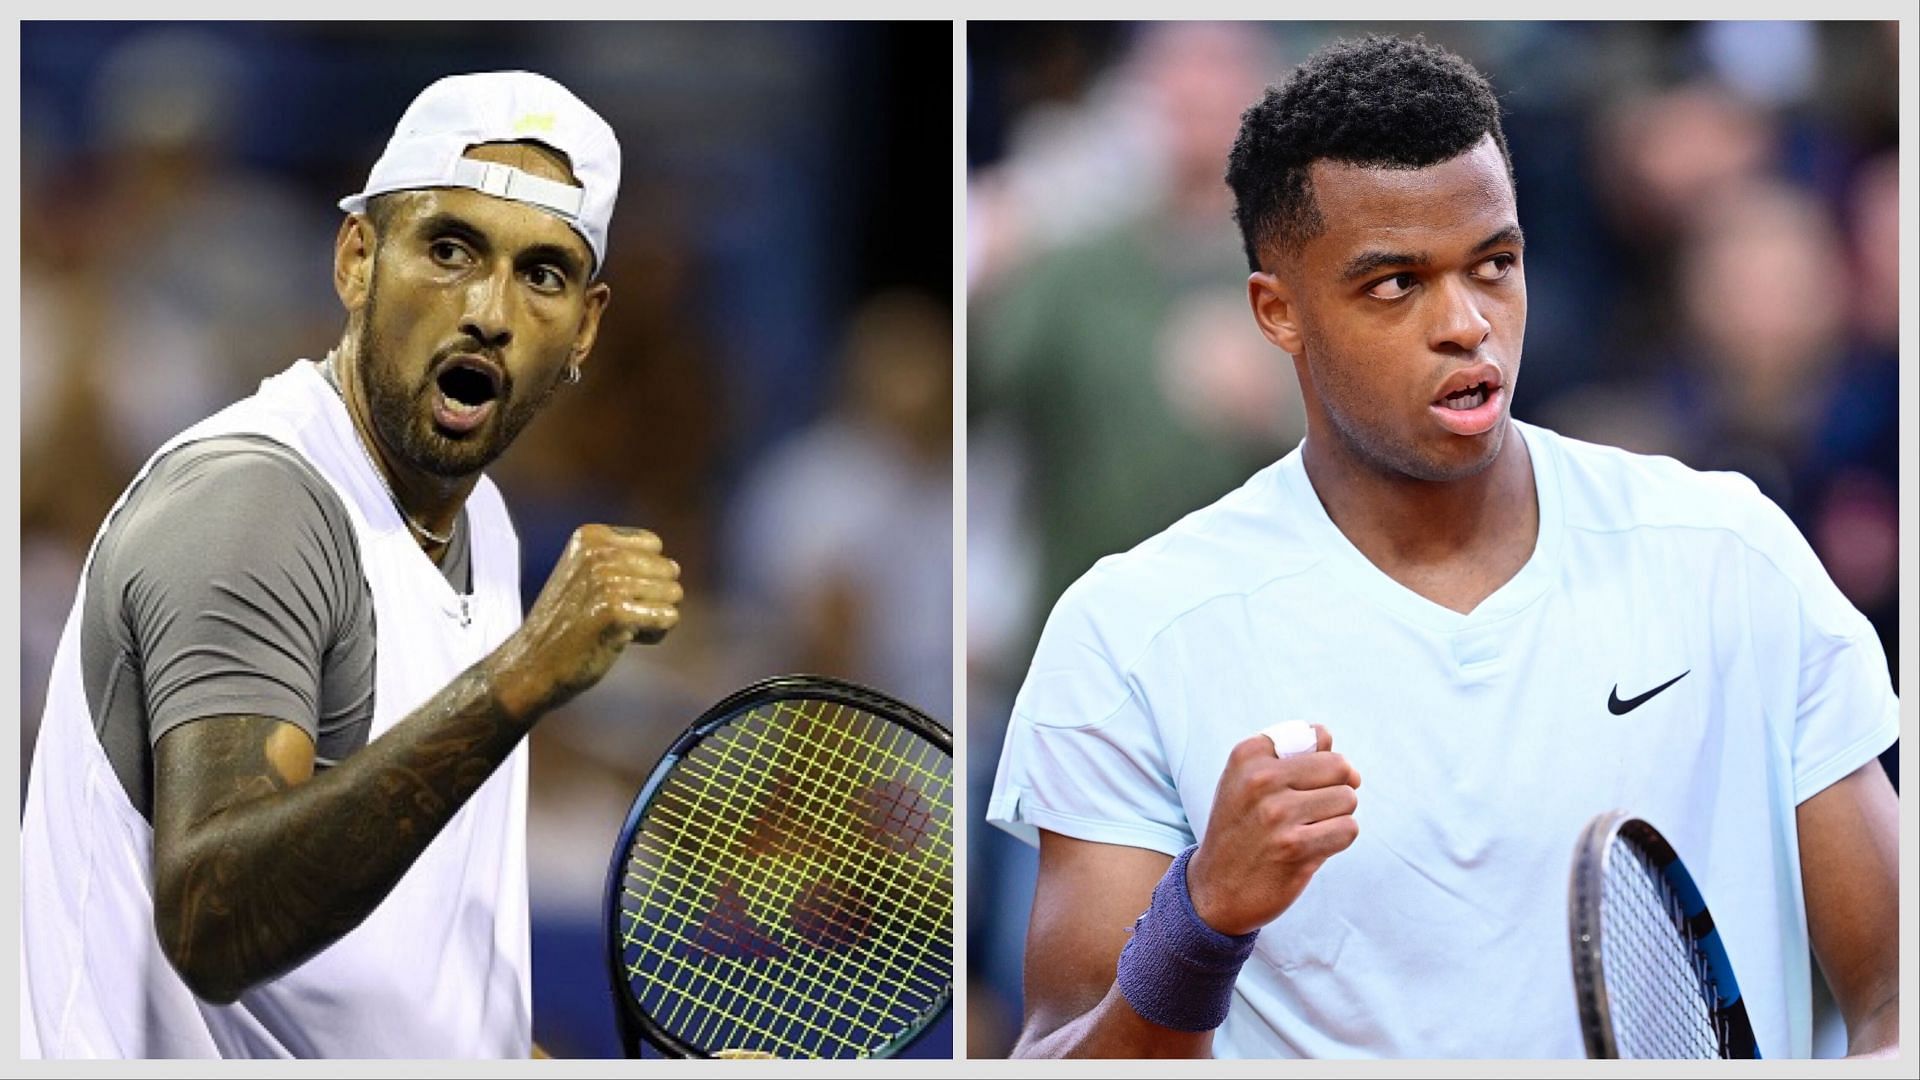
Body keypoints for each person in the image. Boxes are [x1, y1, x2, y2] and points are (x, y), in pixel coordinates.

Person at [986, 35, 1899, 1059]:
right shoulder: (1131, 631)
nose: (1467, 324)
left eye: (1494, 264)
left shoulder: (1728, 554)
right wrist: (1200, 923)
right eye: (1395, 284)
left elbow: (1897, 993)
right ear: (1277, 312)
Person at [21, 71, 684, 1058]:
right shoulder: (254, 504)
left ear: (584, 327)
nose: (489, 312)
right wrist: (527, 675)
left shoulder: (483, 526)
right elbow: (216, 922)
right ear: (358, 260)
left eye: (541, 274)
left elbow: (407, 1005)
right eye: (450, 249)